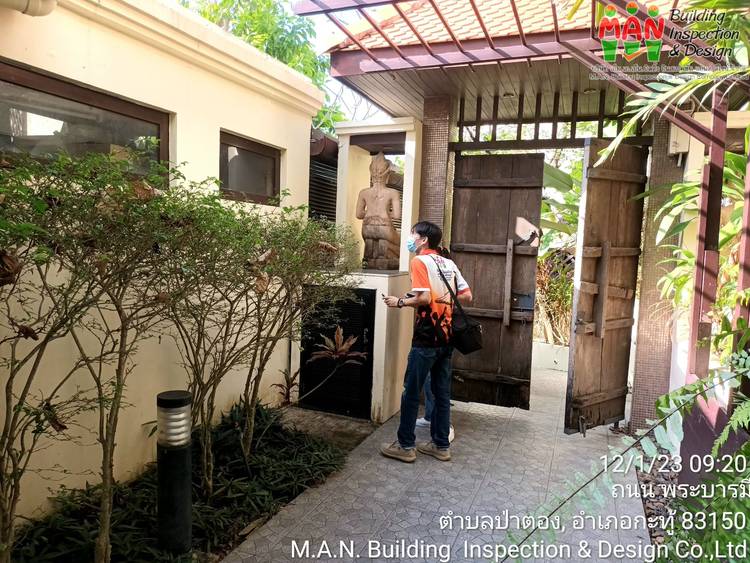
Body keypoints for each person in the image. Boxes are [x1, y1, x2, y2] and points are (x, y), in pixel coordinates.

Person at [380, 221, 472, 462]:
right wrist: (440, 299)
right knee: (441, 394)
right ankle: (441, 446)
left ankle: (405, 446)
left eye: (413, 234)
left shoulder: (419, 261)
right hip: (447, 337)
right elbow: (466, 295)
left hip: (426, 337)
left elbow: (424, 298)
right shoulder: (448, 263)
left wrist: (400, 302)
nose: (410, 238)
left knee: (411, 392)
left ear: (423, 240)